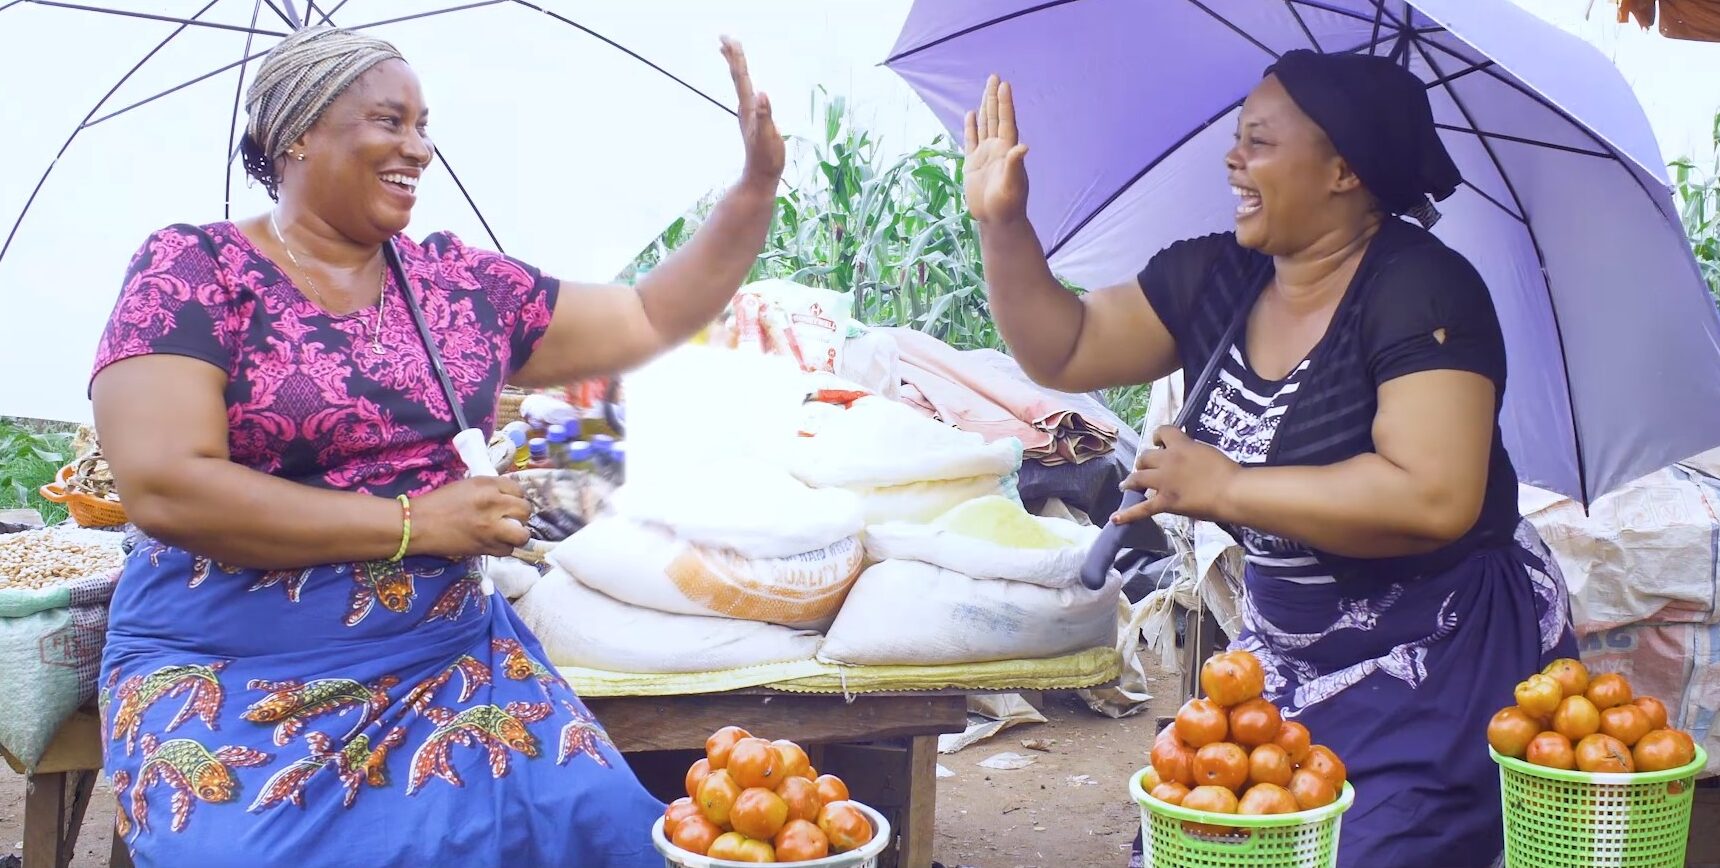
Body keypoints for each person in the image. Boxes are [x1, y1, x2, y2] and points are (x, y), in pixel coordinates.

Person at [88, 25, 783, 867]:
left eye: (424, 125)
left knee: (599, 829)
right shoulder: (194, 270)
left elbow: (646, 316)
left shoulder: (459, 288)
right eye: (390, 121)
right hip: (229, 669)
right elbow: (166, 485)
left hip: (444, 660)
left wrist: (752, 190)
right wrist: (416, 524)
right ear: (295, 134)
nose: (418, 148)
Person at [963, 50, 1577, 867]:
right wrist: (1004, 225)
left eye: (1258, 141)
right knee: (1209, 844)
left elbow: (1435, 496)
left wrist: (1228, 486)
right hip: (1289, 645)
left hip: (1438, 642)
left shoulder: (1423, 290)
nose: (1232, 158)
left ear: (1343, 170)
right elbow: (1066, 347)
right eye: (1236, 138)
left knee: (1366, 849)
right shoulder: (1220, 273)